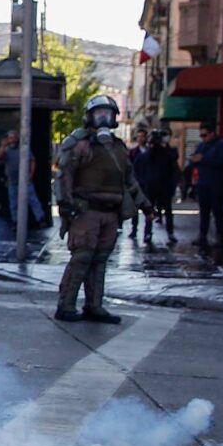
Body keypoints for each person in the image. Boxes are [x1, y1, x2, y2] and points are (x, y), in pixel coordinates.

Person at [54, 95, 152, 324]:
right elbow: (63, 175)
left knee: (100, 260)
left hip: (110, 213)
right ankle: (66, 305)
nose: (103, 119)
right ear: (89, 117)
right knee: (82, 258)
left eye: (107, 114)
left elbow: (130, 180)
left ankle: (94, 305)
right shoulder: (79, 144)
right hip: (86, 211)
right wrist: (65, 203)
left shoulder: (118, 148)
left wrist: (145, 205)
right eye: (99, 114)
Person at [134, 129, 180, 244]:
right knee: (164, 211)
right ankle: (166, 233)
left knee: (152, 211)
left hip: (154, 187)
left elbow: (137, 172)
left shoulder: (150, 155)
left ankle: (149, 233)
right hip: (159, 187)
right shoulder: (164, 155)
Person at [0, 130, 47, 228]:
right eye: (10, 138)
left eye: (13, 137)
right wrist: (3, 145)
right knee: (13, 203)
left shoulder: (23, 149)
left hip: (25, 180)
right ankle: (16, 222)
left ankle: (41, 219)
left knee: (32, 199)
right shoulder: (6, 150)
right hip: (12, 181)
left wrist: (31, 174)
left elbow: (32, 160)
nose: (12, 140)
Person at [190, 124, 223, 248]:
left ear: (212, 133)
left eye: (205, 135)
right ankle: (202, 235)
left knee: (217, 211)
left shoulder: (221, 145)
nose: (203, 138)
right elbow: (195, 159)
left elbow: (221, 162)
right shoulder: (202, 146)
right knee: (204, 211)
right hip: (203, 183)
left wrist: (203, 159)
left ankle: (220, 237)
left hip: (216, 183)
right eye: (201, 135)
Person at [127, 128, 153, 239]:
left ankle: (148, 232)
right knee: (135, 209)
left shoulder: (151, 152)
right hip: (137, 183)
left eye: (143, 136)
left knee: (149, 208)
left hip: (148, 184)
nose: (141, 139)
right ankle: (134, 230)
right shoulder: (133, 152)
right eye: (139, 136)